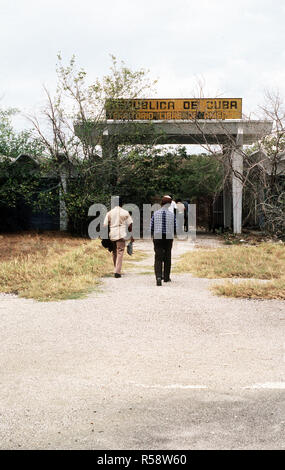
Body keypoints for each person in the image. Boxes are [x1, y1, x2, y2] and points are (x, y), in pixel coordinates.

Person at [103, 197, 133, 278]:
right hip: (121, 234)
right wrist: (131, 235)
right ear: (121, 204)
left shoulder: (109, 213)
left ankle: (115, 269)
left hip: (112, 234)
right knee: (120, 252)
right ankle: (117, 272)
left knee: (114, 252)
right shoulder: (125, 212)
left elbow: (105, 225)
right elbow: (130, 225)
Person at [150, 195, 176, 286]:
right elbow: (175, 227)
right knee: (167, 256)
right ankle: (166, 277)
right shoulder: (172, 215)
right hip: (168, 237)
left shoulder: (155, 213)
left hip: (157, 237)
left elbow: (151, 226)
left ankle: (158, 277)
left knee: (158, 256)